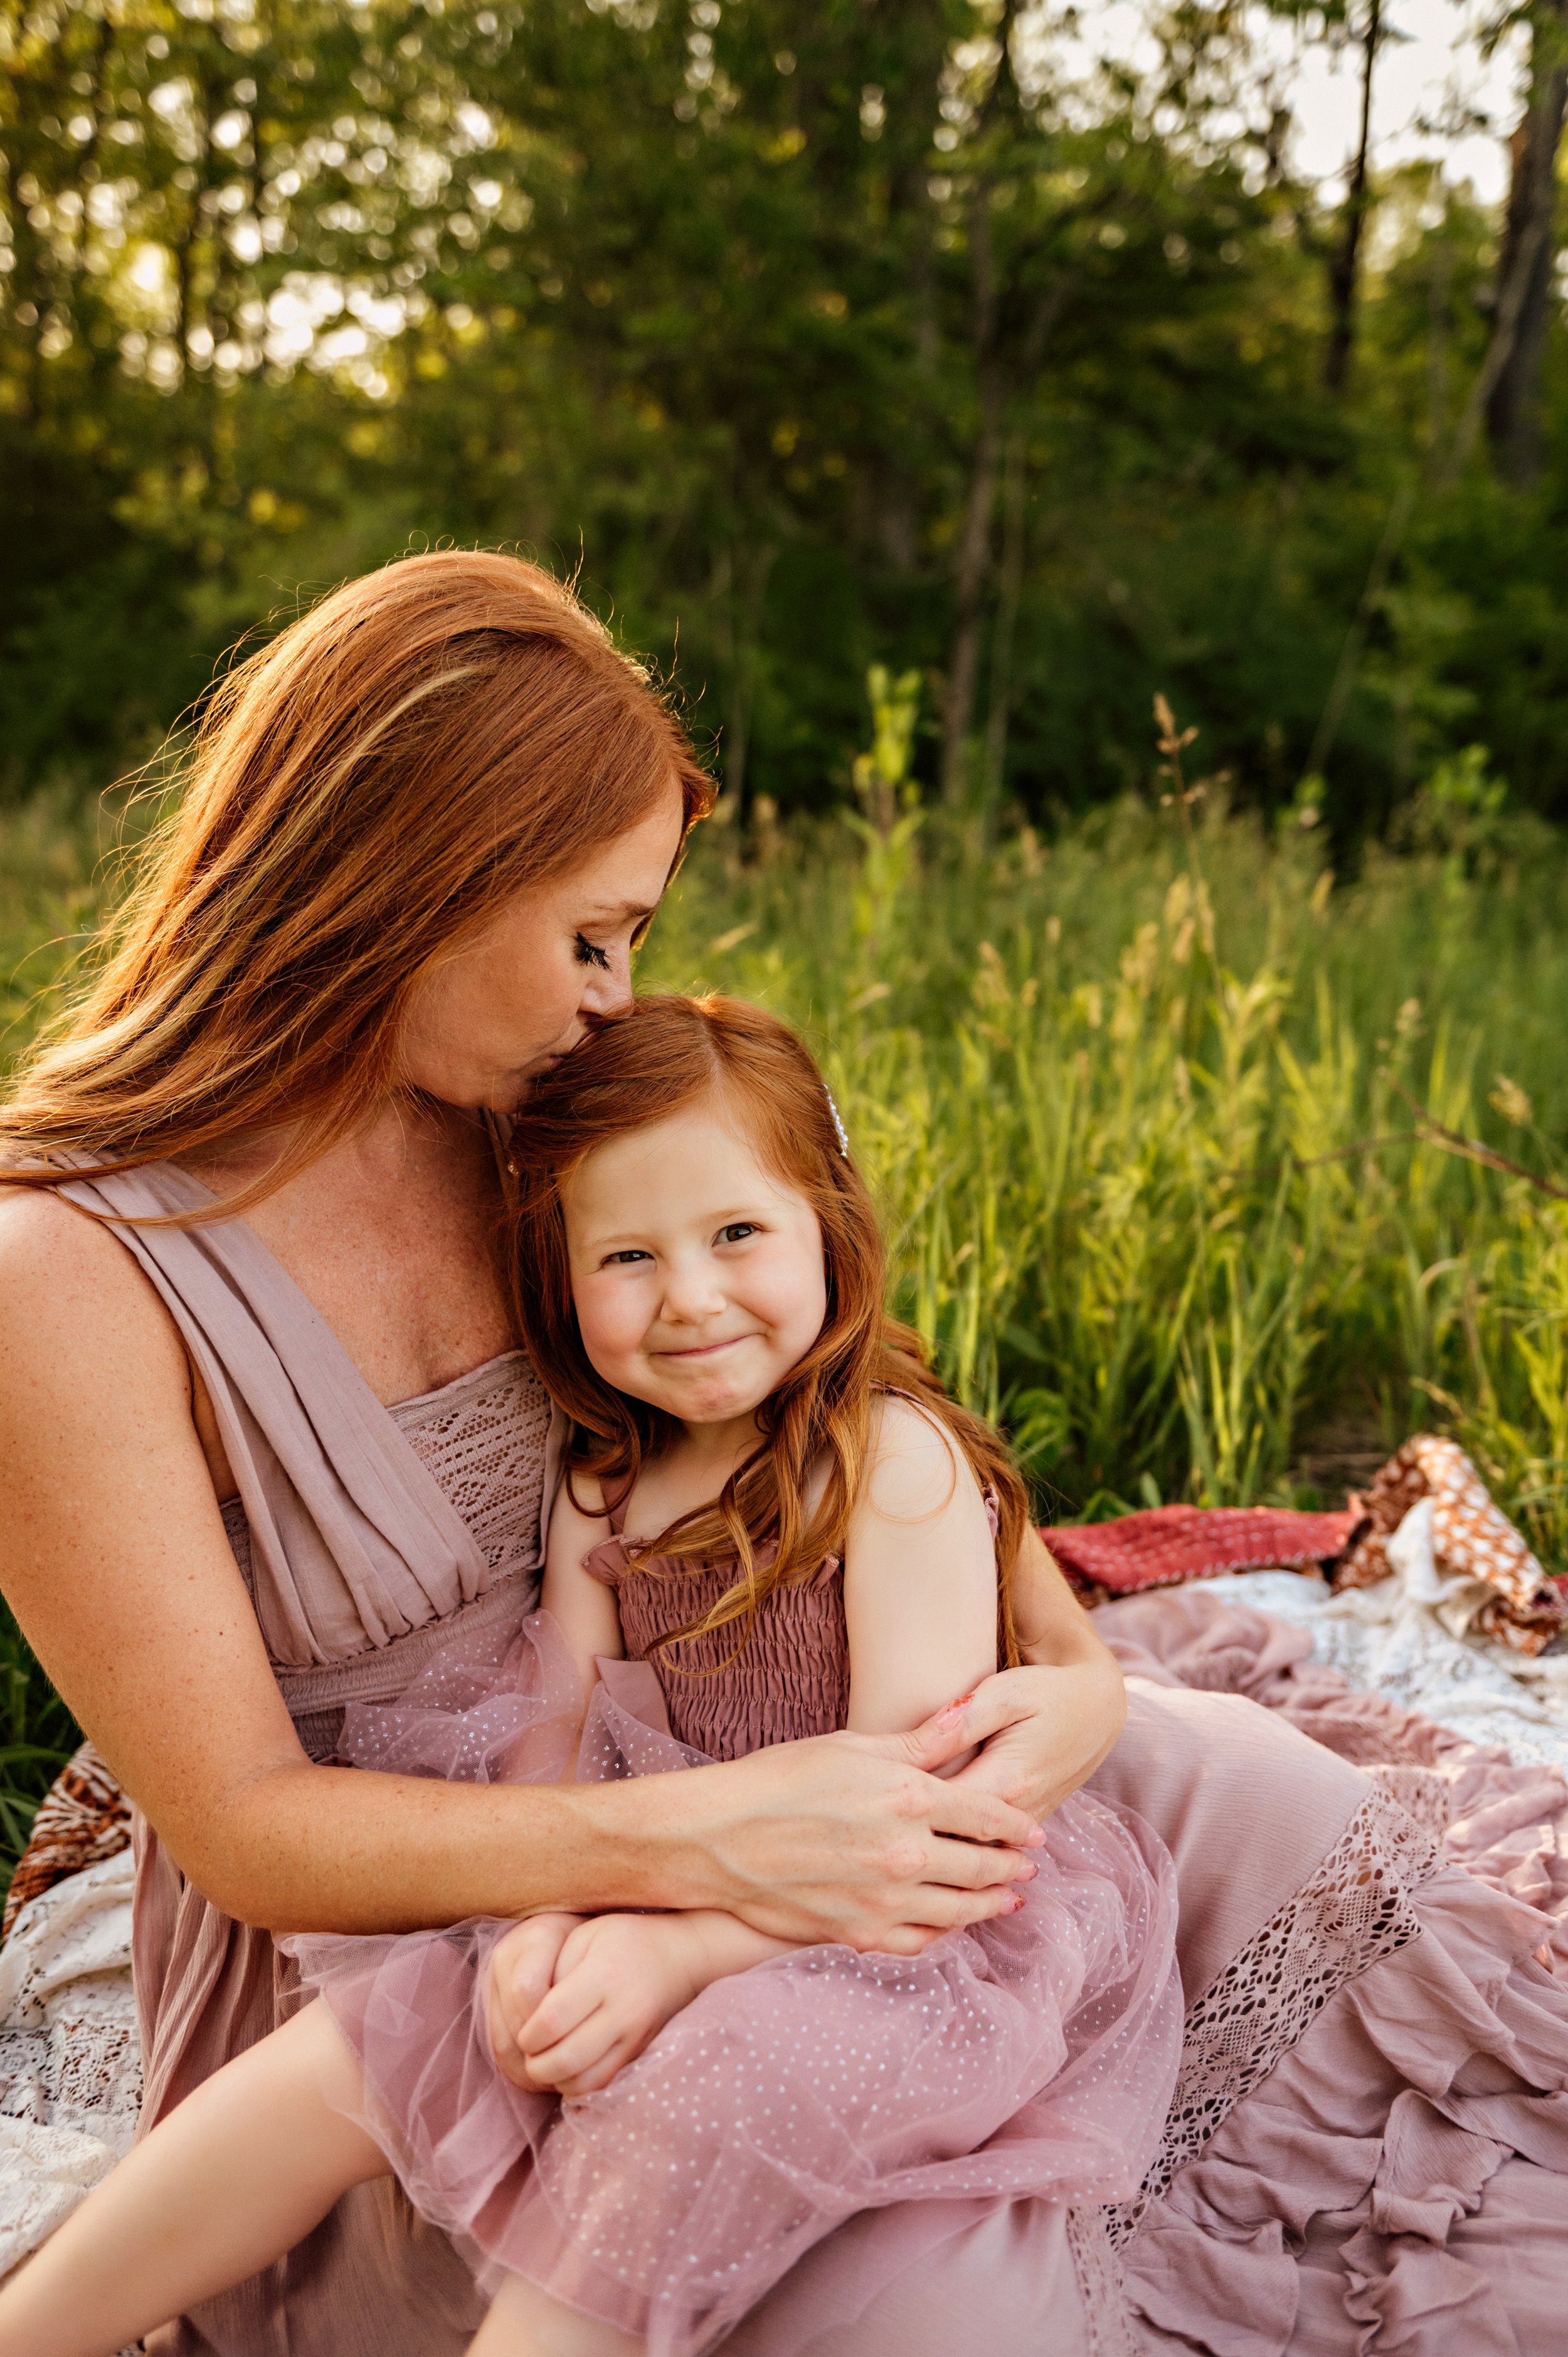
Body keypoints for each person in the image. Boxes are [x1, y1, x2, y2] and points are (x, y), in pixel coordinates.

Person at [0, 551, 1130, 2356]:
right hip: (396, 1933)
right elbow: (252, 1836)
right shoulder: (56, 1276)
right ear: (411, 876)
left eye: (636, 945)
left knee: (1250, 1851)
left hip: (754, 1771)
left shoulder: (530, 1113)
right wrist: (711, 1854)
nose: (613, 1000)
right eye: (588, 936)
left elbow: (843, 1405)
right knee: (895, 2295)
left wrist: (1072, 1682)